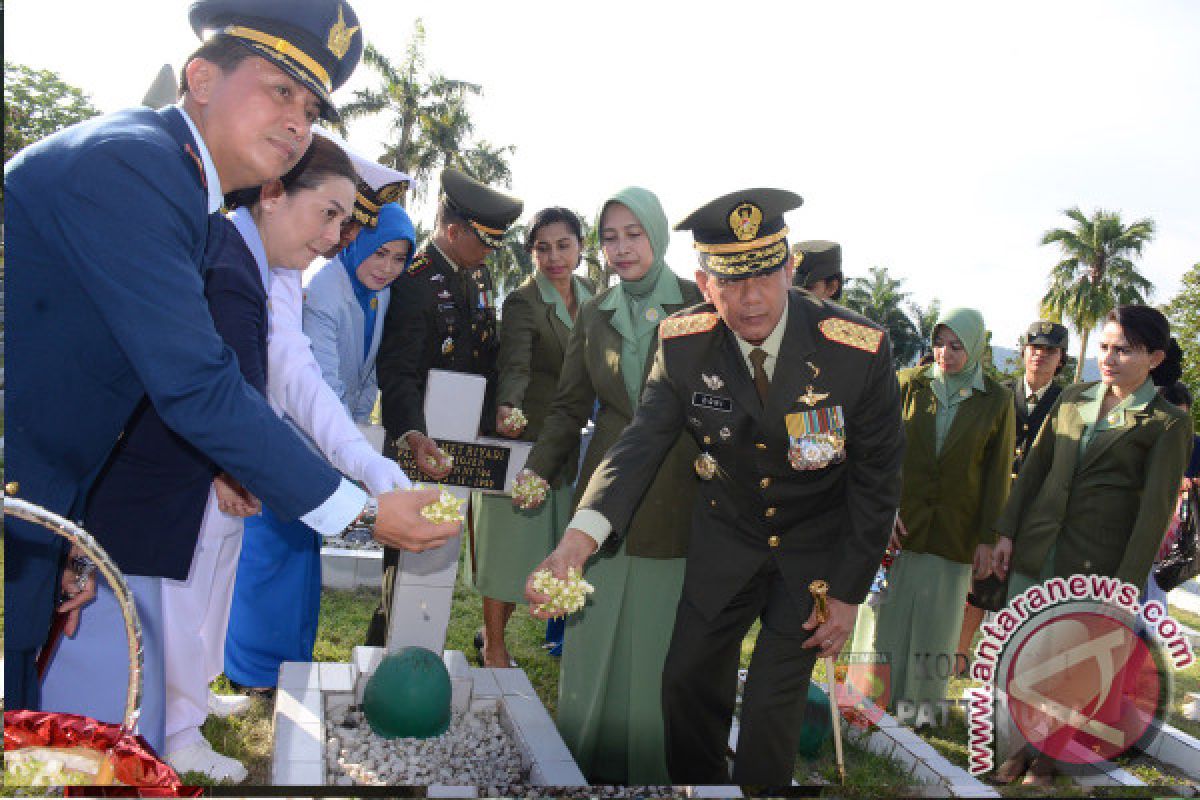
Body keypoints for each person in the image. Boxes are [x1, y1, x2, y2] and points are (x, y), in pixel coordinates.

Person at [4, 0, 456, 717]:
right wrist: (359, 512)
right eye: (280, 90)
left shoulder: (177, 185)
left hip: (39, 504)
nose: (296, 122)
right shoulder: (135, 167)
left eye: (309, 107)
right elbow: (195, 383)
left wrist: (67, 537)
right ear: (203, 77)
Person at [528, 189, 905, 786]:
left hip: (812, 556)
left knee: (769, 711)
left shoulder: (856, 350)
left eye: (762, 276)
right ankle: (699, 789)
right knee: (685, 683)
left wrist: (848, 591)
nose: (749, 299)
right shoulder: (683, 342)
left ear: (789, 270)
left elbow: (877, 480)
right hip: (727, 541)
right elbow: (638, 447)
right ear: (704, 284)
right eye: (729, 282)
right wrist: (577, 544)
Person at [515, 188, 701, 783]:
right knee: (592, 635)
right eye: (610, 237)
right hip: (603, 493)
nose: (621, 248)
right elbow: (569, 407)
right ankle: (578, 763)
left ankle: (649, 770)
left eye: (633, 234)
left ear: (657, 234)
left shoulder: (701, 303)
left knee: (655, 638)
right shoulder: (595, 313)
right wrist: (538, 469)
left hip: (679, 487)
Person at [991, 304, 1194, 786]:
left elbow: (1152, 517)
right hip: (1038, 549)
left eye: (1123, 349)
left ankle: (1045, 759)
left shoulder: (1166, 423)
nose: (1109, 357)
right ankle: (1015, 748)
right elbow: (1035, 468)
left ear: (1154, 357)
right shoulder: (1072, 398)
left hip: (1097, 565)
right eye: (1104, 347)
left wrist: (1124, 590)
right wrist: (1006, 532)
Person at [222, 198, 417, 697]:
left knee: (301, 563)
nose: (387, 268)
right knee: (270, 556)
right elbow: (312, 383)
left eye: (400, 258)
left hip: (330, 437)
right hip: (291, 435)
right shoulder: (324, 290)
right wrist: (351, 452)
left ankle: (289, 664)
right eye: (380, 254)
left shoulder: (376, 293)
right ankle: (252, 673)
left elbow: (367, 374)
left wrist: (355, 434)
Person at [367, 168, 523, 646]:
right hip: (424, 442)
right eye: (485, 242)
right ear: (453, 232)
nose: (491, 253)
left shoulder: (474, 275)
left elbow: (484, 354)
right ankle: (385, 646)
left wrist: (500, 408)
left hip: (462, 441)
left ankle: (411, 640)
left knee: (436, 557)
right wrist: (413, 434)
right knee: (407, 558)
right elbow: (398, 371)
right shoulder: (415, 280)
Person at [869, 308, 1015, 715]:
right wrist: (884, 509)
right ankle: (877, 702)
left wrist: (987, 537)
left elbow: (997, 472)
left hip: (956, 530)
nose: (944, 354)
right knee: (890, 620)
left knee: (938, 625)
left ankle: (920, 710)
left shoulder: (996, 399)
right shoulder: (907, 384)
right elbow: (881, 454)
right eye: (938, 343)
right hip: (902, 525)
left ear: (975, 348)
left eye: (956, 346)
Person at [467, 208, 595, 668]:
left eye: (563, 245)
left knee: (547, 551)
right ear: (531, 252)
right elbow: (515, 364)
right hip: (526, 445)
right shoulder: (523, 302)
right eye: (543, 247)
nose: (554, 256)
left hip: (569, 449)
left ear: (580, 248)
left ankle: (492, 634)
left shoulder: (592, 296)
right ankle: (495, 647)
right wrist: (509, 406)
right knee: (507, 553)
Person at [954, 320, 1067, 670]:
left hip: (1034, 512)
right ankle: (958, 657)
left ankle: (1007, 668)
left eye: (1049, 351)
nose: (1040, 356)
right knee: (976, 589)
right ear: (1023, 352)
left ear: (1061, 359)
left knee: (1021, 595)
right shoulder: (1000, 394)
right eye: (1035, 348)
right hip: (992, 504)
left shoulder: (1067, 404)